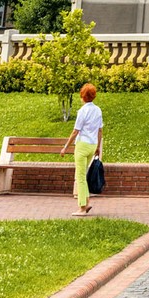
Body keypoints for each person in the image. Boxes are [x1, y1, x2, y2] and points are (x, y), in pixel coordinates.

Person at [61, 83, 103, 215]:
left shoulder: (82, 111)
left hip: (82, 146)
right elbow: (100, 130)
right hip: (92, 145)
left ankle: (82, 207)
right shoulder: (98, 110)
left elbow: (75, 131)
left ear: (83, 97)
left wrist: (65, 147)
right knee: (83, 175)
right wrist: (97, 147)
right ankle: (86, 202)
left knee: (80, 176)